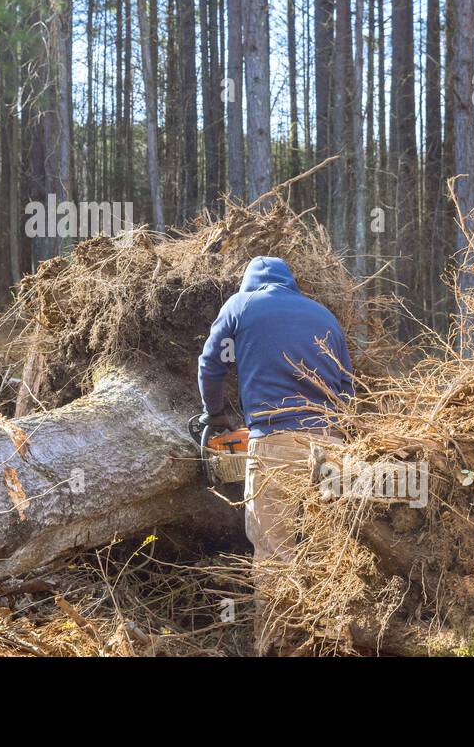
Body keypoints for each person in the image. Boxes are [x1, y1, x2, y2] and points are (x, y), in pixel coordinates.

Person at [196, 256, 354, 652]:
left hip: (275, 444)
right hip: (331, 447)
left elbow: (210, 365)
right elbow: (348, 387)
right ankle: (332, 641)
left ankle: (276, 645)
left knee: (274, 551)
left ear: (250, 284)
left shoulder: (241, 305)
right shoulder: (324, 316)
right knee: (329, 550)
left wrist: (215, 414)